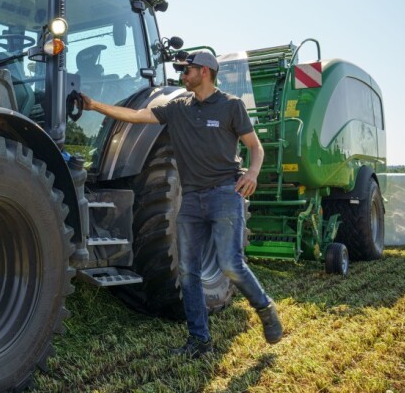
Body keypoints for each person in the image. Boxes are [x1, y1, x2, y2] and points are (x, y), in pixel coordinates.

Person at [80, 51, 283, 358]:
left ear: (205, 71)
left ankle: (265, 308)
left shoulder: (231, 106)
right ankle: (200, 340)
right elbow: (137, 116)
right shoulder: (178, 108)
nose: (181, 76)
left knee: (230, 264)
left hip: (224, 194)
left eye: (187, 71)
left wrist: (252, 173)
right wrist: (94, 105)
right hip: (191, 199)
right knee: (188, 272)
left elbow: (255, 147)